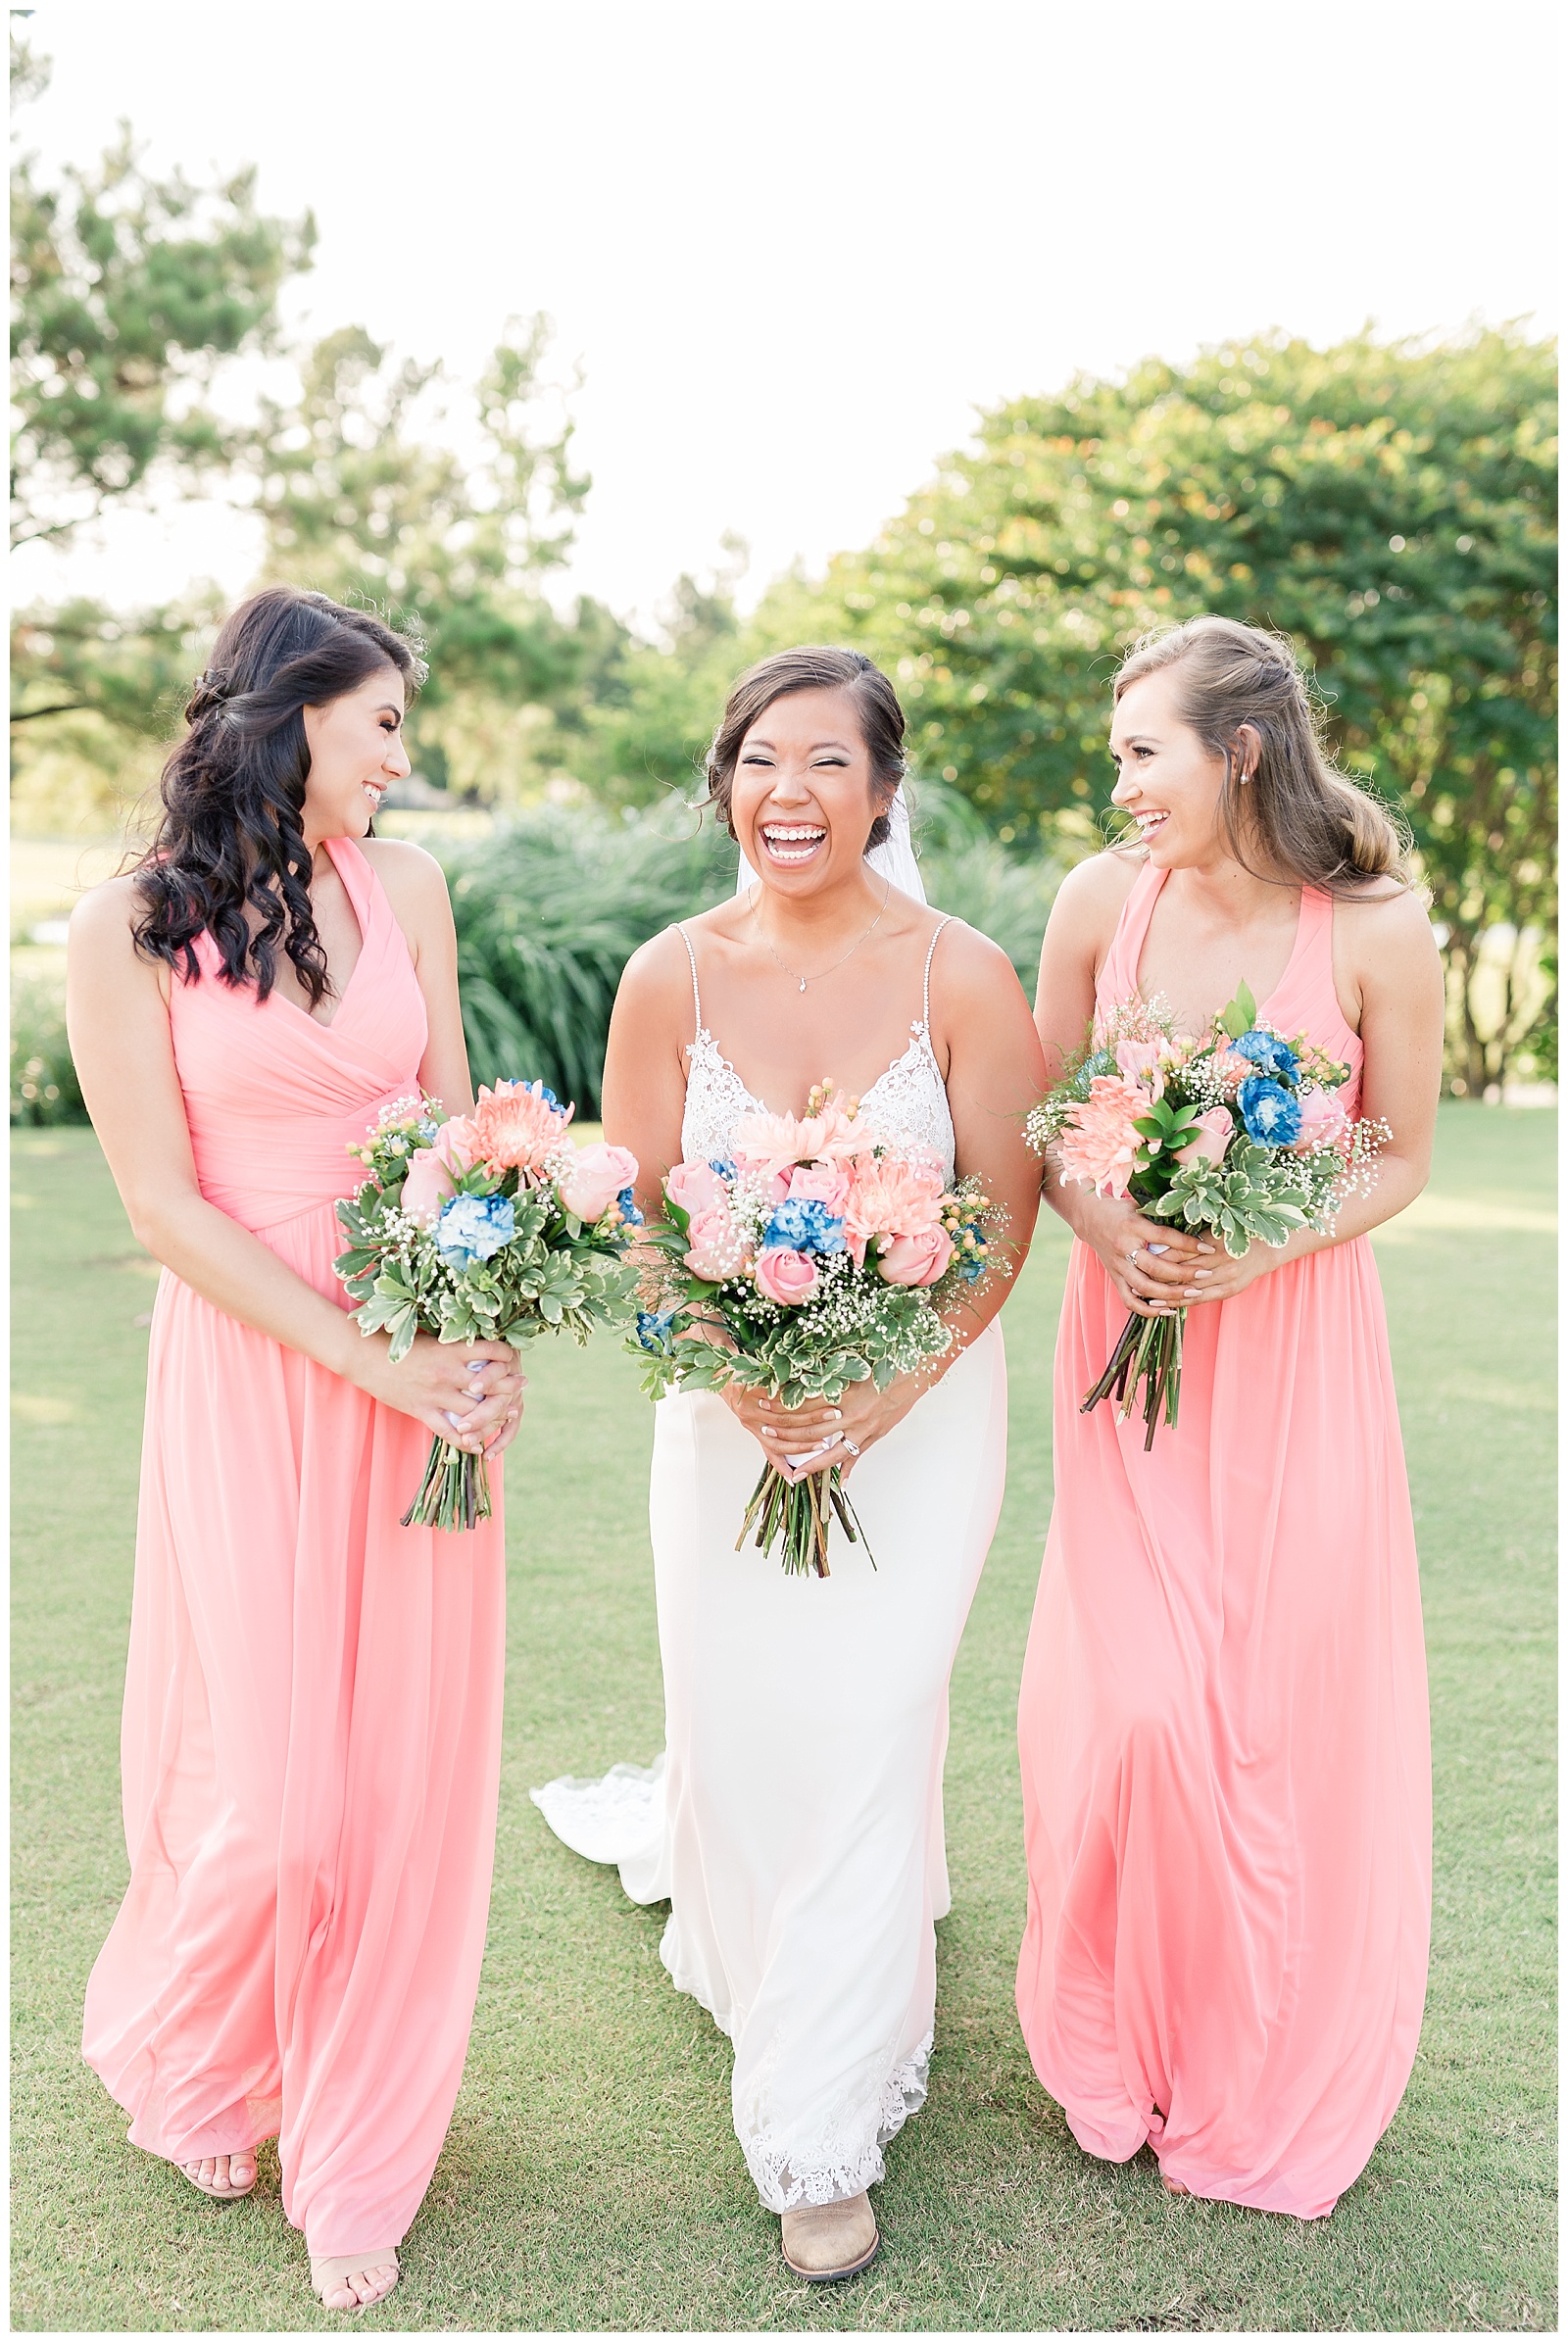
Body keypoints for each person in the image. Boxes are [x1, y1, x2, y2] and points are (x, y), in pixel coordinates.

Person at [532, 647, 1044, 2282]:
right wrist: (734, 1369)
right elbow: (634, 1209)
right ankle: (768, 1918)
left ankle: (817, 2128)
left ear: (885, 793)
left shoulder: (964, 974)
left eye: (826, 762)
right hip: (724, 1420)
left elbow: (1003, 1222)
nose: (789, 793)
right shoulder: (667, 976)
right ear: (726, 786)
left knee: (876, 1711)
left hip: (923, 1408)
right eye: (759, 761)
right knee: (747, 1729)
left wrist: (887, 1390)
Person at [69, 587, 525, 2313]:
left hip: (424, 1354)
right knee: (278, 1800)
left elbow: (469, 1142)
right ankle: (203, 2051)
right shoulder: (122, 927)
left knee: (401, 1785)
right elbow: (161, 1206)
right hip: (266, 1365)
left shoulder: (408, 889)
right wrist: (366, 1355)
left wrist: (479, 1335)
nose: (407, 760)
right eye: (384, 724)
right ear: (289, 716)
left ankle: (356, 2145)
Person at [1016, 614, 1441, 2219]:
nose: (1117, 781)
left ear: (1240, 750)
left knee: (1269, 1710)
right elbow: (1050, 1113)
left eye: (1142, 750)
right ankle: (1113, 2028)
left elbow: (1396, 1152)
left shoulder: (1377, 927)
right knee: (1136, 1710)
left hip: (1299, 1358)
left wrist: (1267, 1234)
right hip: (1124, 1349)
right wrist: (1108, 1220)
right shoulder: (1096, 906)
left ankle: (1250, 2043)